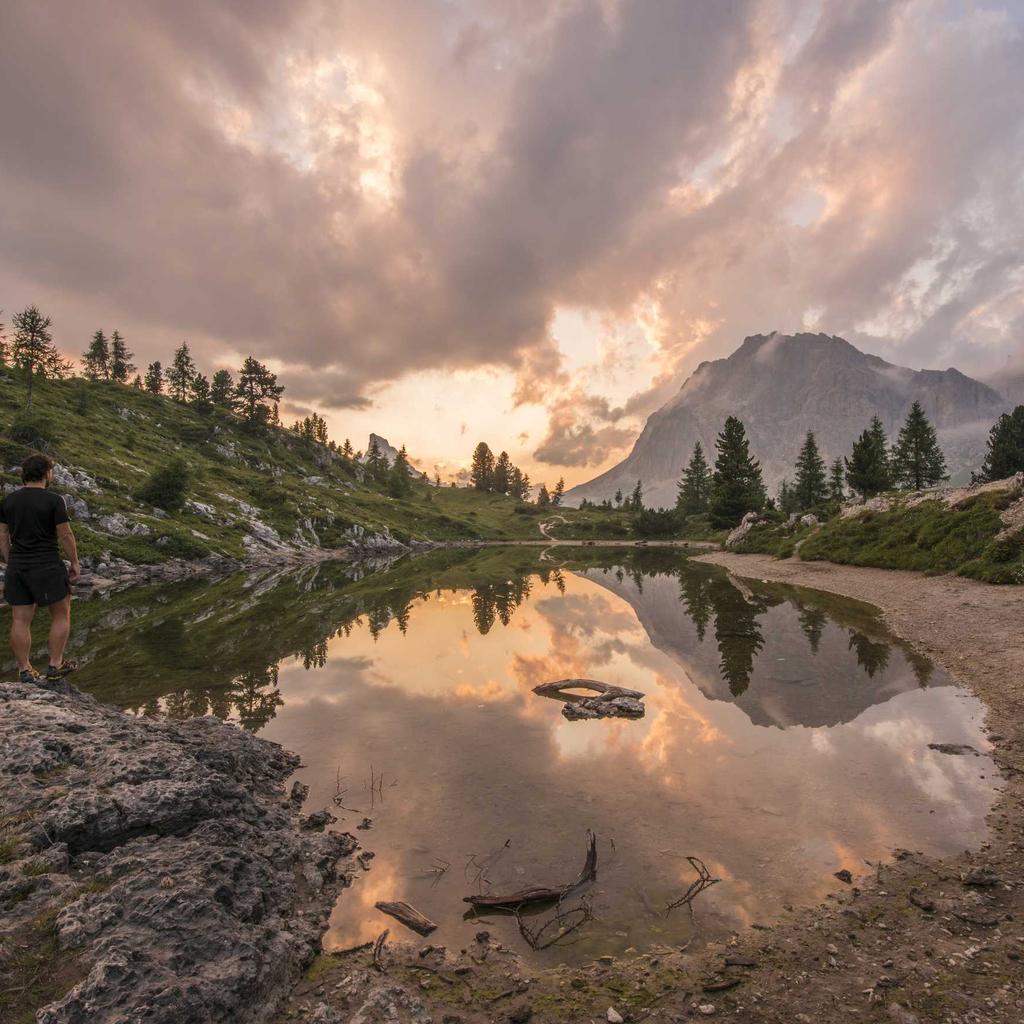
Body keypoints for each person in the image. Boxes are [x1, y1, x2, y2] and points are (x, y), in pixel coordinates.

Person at [0, 454, 81, 684]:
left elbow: (2, 536)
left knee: (20, 620)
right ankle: (55, 665)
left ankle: (25, 670)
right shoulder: (54, 500)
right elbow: (65, 534)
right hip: (47, 565)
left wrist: (11, 560)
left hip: (18, 567)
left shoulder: (8, 501)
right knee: (61, 614)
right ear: (47, 473)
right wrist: (74, 561)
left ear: (24, 474)